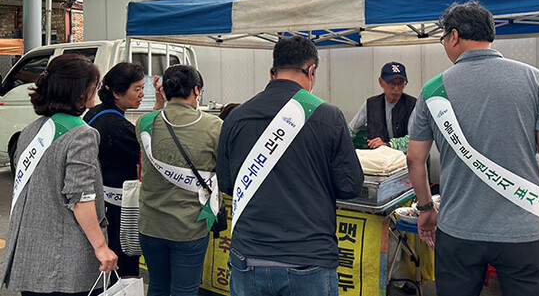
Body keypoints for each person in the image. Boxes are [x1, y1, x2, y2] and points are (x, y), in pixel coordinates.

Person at [406, 1, 539, 296]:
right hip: (525, 231)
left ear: (453, 36)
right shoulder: (533, 79)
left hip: (458, 231)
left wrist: (425, 209)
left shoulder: (432, 90)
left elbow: (415, 159)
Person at [216, 36, 363, 296]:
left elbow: (227, 184)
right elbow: (350, 185)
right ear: (312, 71)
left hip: (248, 258)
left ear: (272, 72)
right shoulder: (329, 116)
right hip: (308, 258)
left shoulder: (235, 117)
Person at [2, 53, 118, 295]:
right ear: (79, 90)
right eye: (93, 85)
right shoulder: (81, 134)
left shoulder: (31, 130)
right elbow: (81, 199)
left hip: (31, 257)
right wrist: (101, 247)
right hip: (66, 263)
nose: (96, 90)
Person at [135, 64, 222, 296]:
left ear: (164, 90)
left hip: (150, 225)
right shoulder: (214, 127)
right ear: (196, 90)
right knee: (185, 290)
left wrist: (160, 103)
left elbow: (155, 119)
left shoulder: (143, 123)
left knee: (157, 286)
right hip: (190, 226)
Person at [83, 62, 145, 281]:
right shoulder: (117, 127)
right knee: (123, 267)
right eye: (137, 88)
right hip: (120, 210)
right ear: (117, 92)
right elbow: (145, 156)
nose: (142, 94)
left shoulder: (95, 114)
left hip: (100, 203)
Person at [348, 61, 416, 151]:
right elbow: (351, 130)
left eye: (400, 84)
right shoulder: (370, 104)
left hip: (403, 160)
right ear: (381, 82)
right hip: (377, 160)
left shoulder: (413, 105)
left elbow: (414, 139)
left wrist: (388, 145)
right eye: (391, 83)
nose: (396, 89)